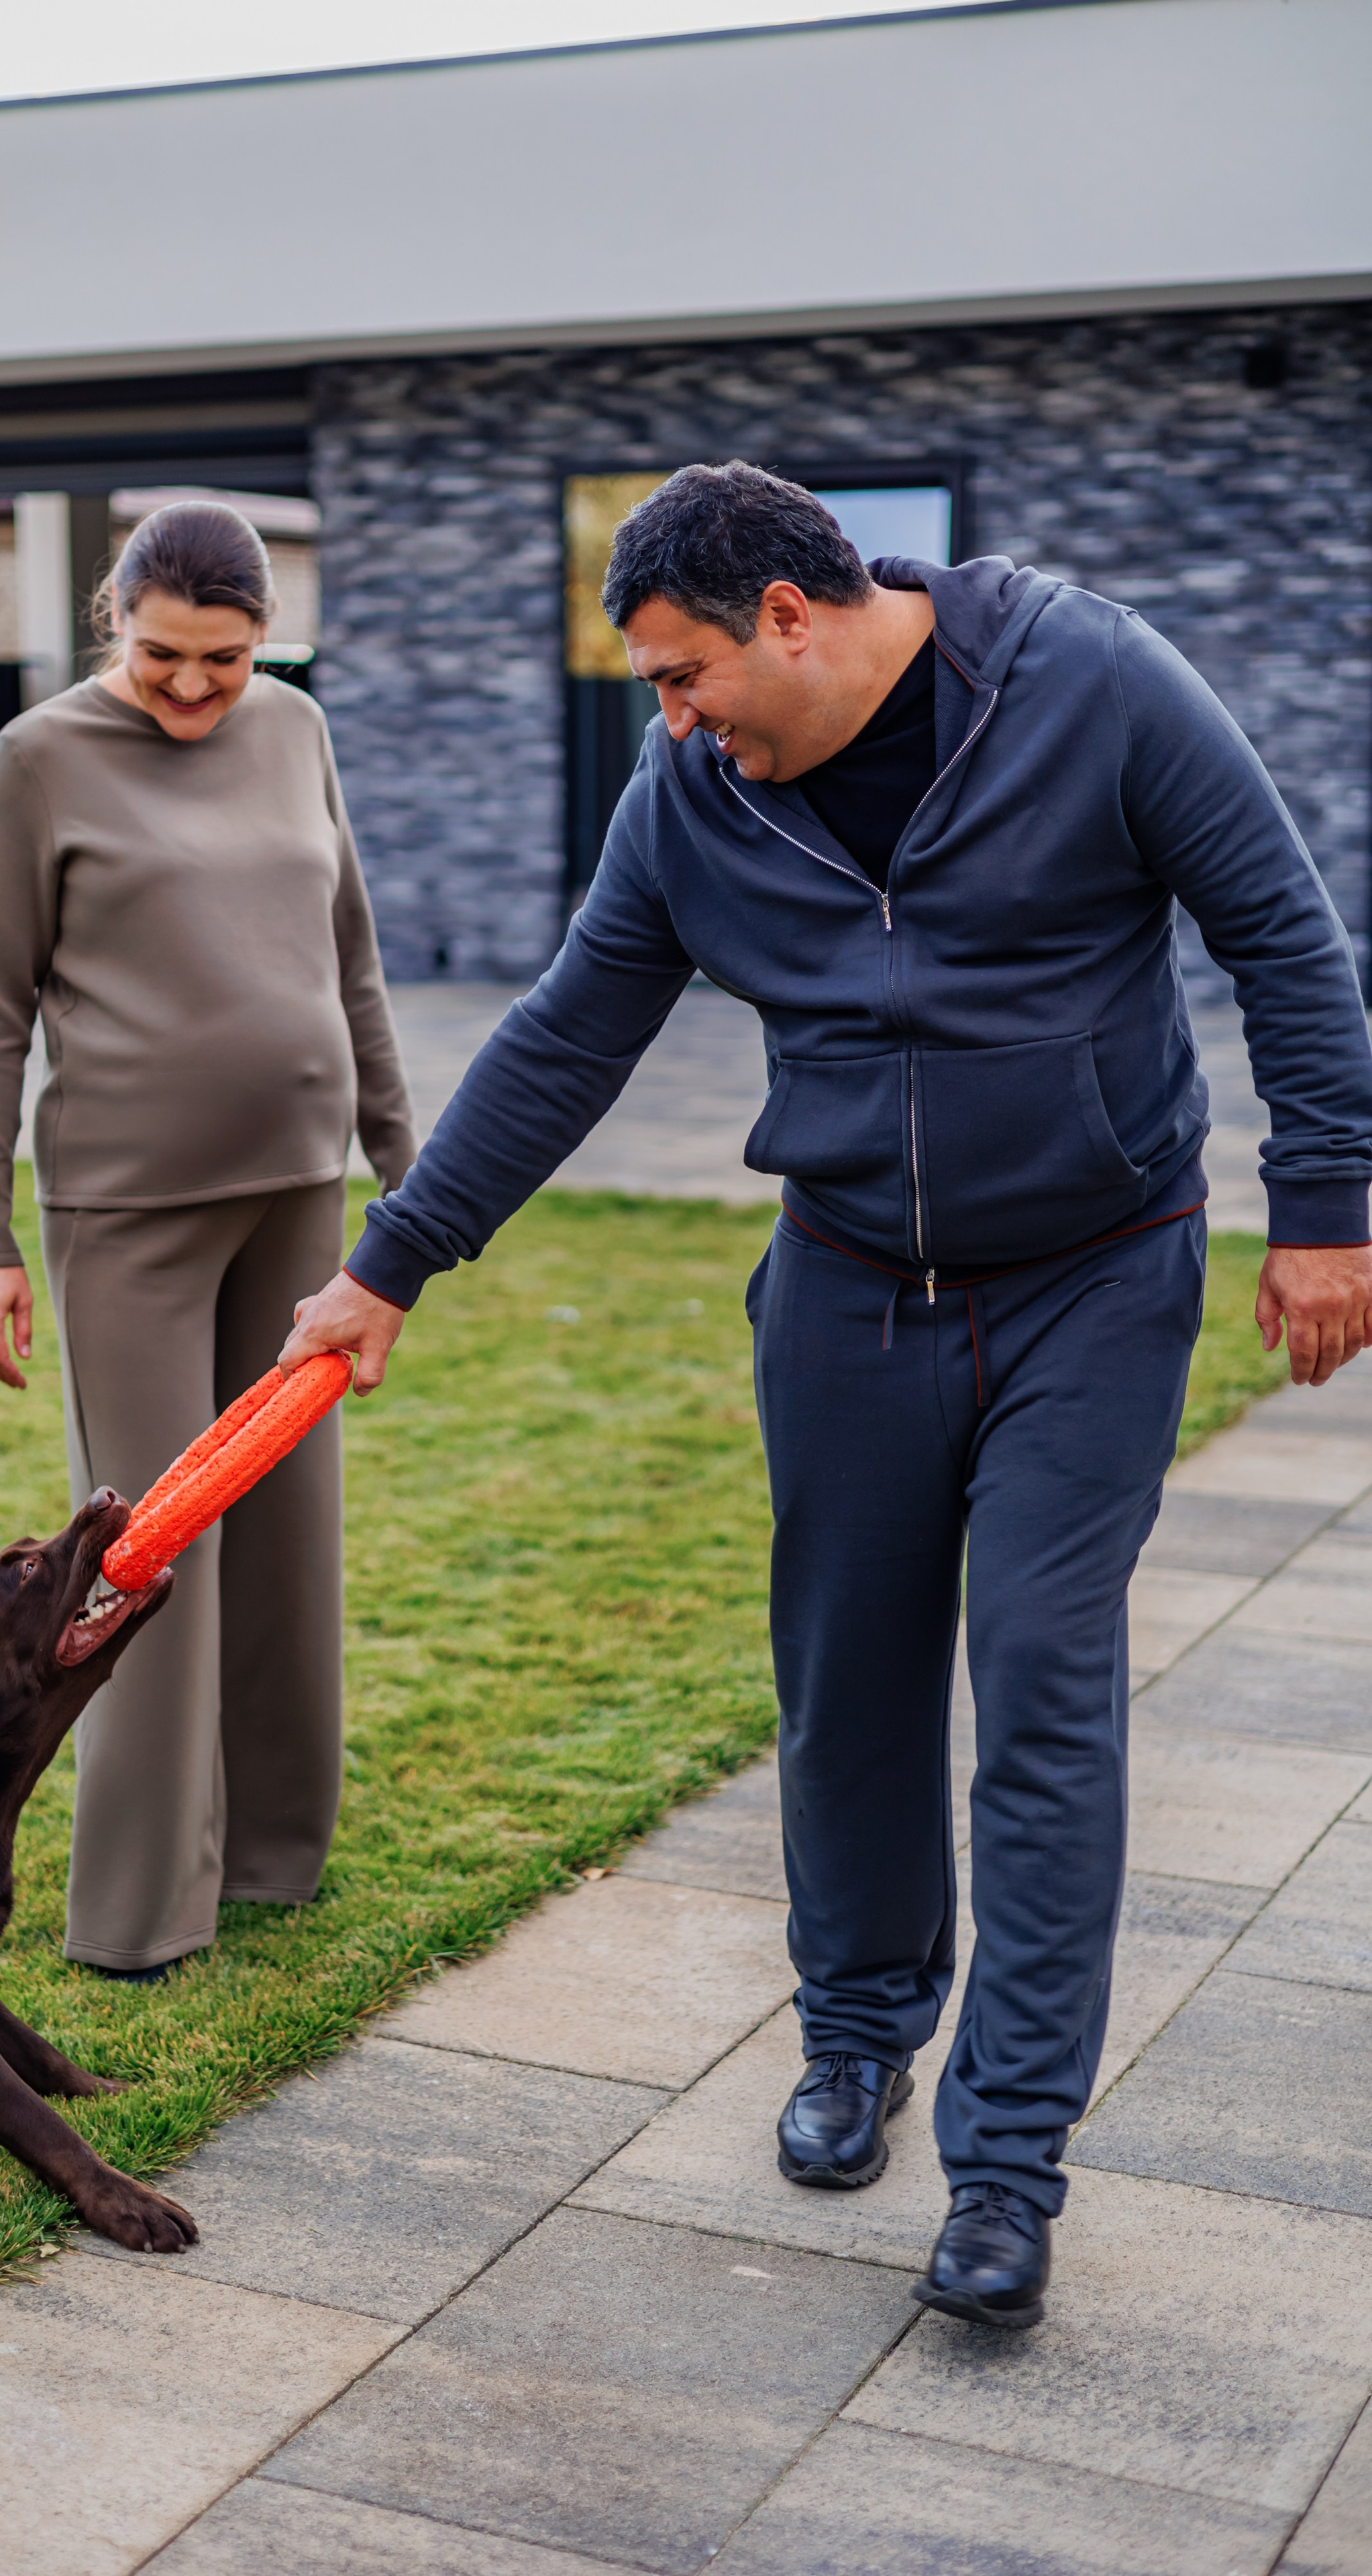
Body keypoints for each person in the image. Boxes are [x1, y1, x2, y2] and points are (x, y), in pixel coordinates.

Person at [280, 462, 1372, 2326]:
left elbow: (1283, 930)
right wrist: (391, 1265)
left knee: (1042, 1686)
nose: (671, 717)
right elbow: (571, 1029)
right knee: (847, 1683)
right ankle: (858, 2033)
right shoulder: (693, 795)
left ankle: (1010, 2159)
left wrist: (1329, 1207)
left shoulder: (1097, 686)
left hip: (1093, 1279)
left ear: (795, 613)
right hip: (849, 1286)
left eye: (685, 673)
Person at [0, 499, 415, 1979]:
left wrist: (409, 1174)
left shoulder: (296, 730)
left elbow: (348, 954)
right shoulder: (37, 759)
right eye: (165, 656)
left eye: (227, 658)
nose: (198, 689)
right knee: (140, 1552)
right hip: (125, 1211)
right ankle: (142, 1907)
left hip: (301, 1190)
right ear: (114, 617)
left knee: (288, 1539)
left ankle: (277, 1854)